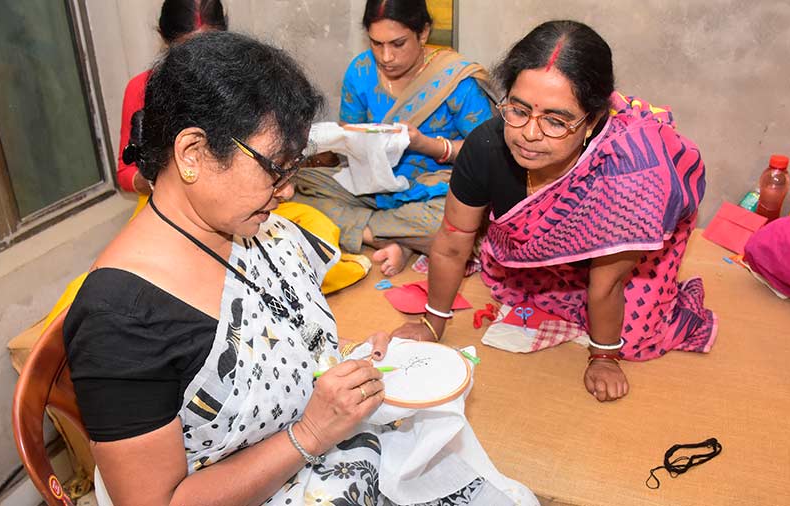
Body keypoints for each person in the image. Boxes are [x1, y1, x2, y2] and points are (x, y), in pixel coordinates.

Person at [64, 32, 529, 506]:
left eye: (294, 168)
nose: (287, 190)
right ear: (192, 154)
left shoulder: (258, 232)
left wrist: (358, 362)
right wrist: (309, 432)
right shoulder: (120, 319)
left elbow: (279, 348)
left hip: (330, 456)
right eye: (275, 168)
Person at [393, 20, 717, 402]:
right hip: (529, 261)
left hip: (613, 265)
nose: (530, 133)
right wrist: (433, 324)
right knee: (507, 286)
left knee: (634, 335)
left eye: (555, 120)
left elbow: (608, 284)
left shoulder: (627, 175)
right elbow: (452, 242)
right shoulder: (486, 146)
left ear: (592, 121)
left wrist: (604, 358)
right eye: (518, 109)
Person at [293, 0, 493, 276]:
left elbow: (486, 154)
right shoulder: (361, 71)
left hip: (434, 191)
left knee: (456, 222)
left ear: (423, 33)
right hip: (372, 187)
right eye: (376, 44)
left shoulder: (456, 80)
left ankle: (371, 233)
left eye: (398, 44)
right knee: (292, 187)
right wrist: (350, 140)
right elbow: (347, 141)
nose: (386, 57)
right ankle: (397, 238)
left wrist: (426, 145)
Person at [116, 0, 227, 195]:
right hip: (170, 205)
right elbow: (126, 173)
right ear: (164, 38)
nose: (197, 59)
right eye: (185, 51)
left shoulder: (247, 80)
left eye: (208, 47)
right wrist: (161, 181)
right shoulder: (142, 88)